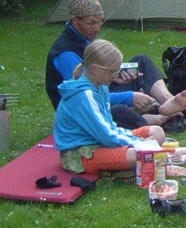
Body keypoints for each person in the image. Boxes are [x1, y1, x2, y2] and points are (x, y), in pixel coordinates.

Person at [45, 0, 186, 131]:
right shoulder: (65, 53)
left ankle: (168, 102)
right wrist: (129, 97)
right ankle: (158, 118)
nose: (97, 28)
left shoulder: (83, 38)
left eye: (99, 22)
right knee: (119, 113)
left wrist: (116, 75)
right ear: (75, 20)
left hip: (99, 93)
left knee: (141, 61)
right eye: (91, 23)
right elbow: (85, 96)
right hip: (82, 109)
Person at [53, 39, 166, 175]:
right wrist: (139, 144)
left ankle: (146, 156)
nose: (114, 76)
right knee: (134, 154)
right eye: (111, 71)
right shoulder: (84, 95)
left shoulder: (101, 88)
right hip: (82, 153)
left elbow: (110, 127)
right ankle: (146, 156)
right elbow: (105, 134)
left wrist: (138, 142)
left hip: (99, 142)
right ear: (95, 69)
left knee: (157, 132)